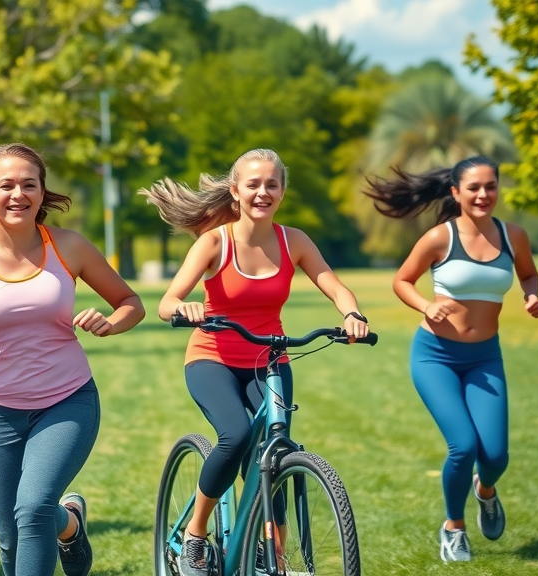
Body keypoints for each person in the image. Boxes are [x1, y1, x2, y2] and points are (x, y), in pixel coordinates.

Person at [0, 143, 145, 576]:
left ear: (41, 192)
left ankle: (57, 518)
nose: (18, 194)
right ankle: (69, 524)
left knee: (33, 506)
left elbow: (131, 302)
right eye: (7, 185)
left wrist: (112, 321)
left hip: (66, 402)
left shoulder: (69, 247)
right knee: (12, 540)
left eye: (29, 185)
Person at [140, 148, 370, 576]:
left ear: (282, 190)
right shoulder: (215, 242)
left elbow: (335, 285)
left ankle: (273, 558)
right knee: (237, 435)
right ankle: (195, 535)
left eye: (272, 184)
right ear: (235, 191)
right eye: (253, 184)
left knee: (273, 451)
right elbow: (167, 301)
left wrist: (351, 313)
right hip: (213, 358)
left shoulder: (293, 241)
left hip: (270, 361)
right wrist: (184, 307)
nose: (263, 192)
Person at [366, 156, 538, 563]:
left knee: (495, 455)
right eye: (474, 188)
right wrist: (426, 306)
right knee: (463, 446)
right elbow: (402, 281)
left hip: (485, 358)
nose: (483, 195)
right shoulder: (439, 238)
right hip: (436, 358)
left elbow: (529, 274)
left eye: (491, 186)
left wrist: (531, 294)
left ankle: (485, 491)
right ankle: (453, 528)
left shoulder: (513, 236)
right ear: (456, 193)